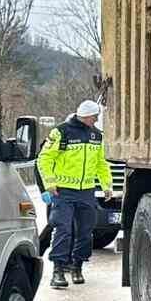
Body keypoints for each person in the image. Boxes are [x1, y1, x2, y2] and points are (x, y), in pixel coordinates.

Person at [37, 99, 112, 289]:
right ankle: (58, 271)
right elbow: (44, 159)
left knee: (86, 232)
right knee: (63, 229)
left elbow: (101, 163)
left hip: (86, 191)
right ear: (85, 115)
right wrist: (49, 183)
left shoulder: (97, 136)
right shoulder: (61, 132)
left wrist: (106, 185)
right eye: (94, 117)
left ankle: (77, 266)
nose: (96, 120)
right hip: (63, 191)